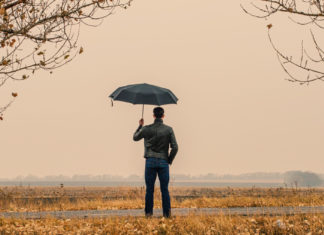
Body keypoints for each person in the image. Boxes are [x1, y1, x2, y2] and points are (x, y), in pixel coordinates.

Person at [133, 107, 178, 218]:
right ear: (163, 116)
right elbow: (175, 147)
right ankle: (167, 215)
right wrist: (169, 160)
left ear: (153, 116)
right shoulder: (169, 129)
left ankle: (148, 215)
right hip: (163, 162)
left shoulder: (146, 129)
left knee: (149, 190)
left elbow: (135, 138)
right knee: (164, 190)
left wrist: (140, 125)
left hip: (150, 161)